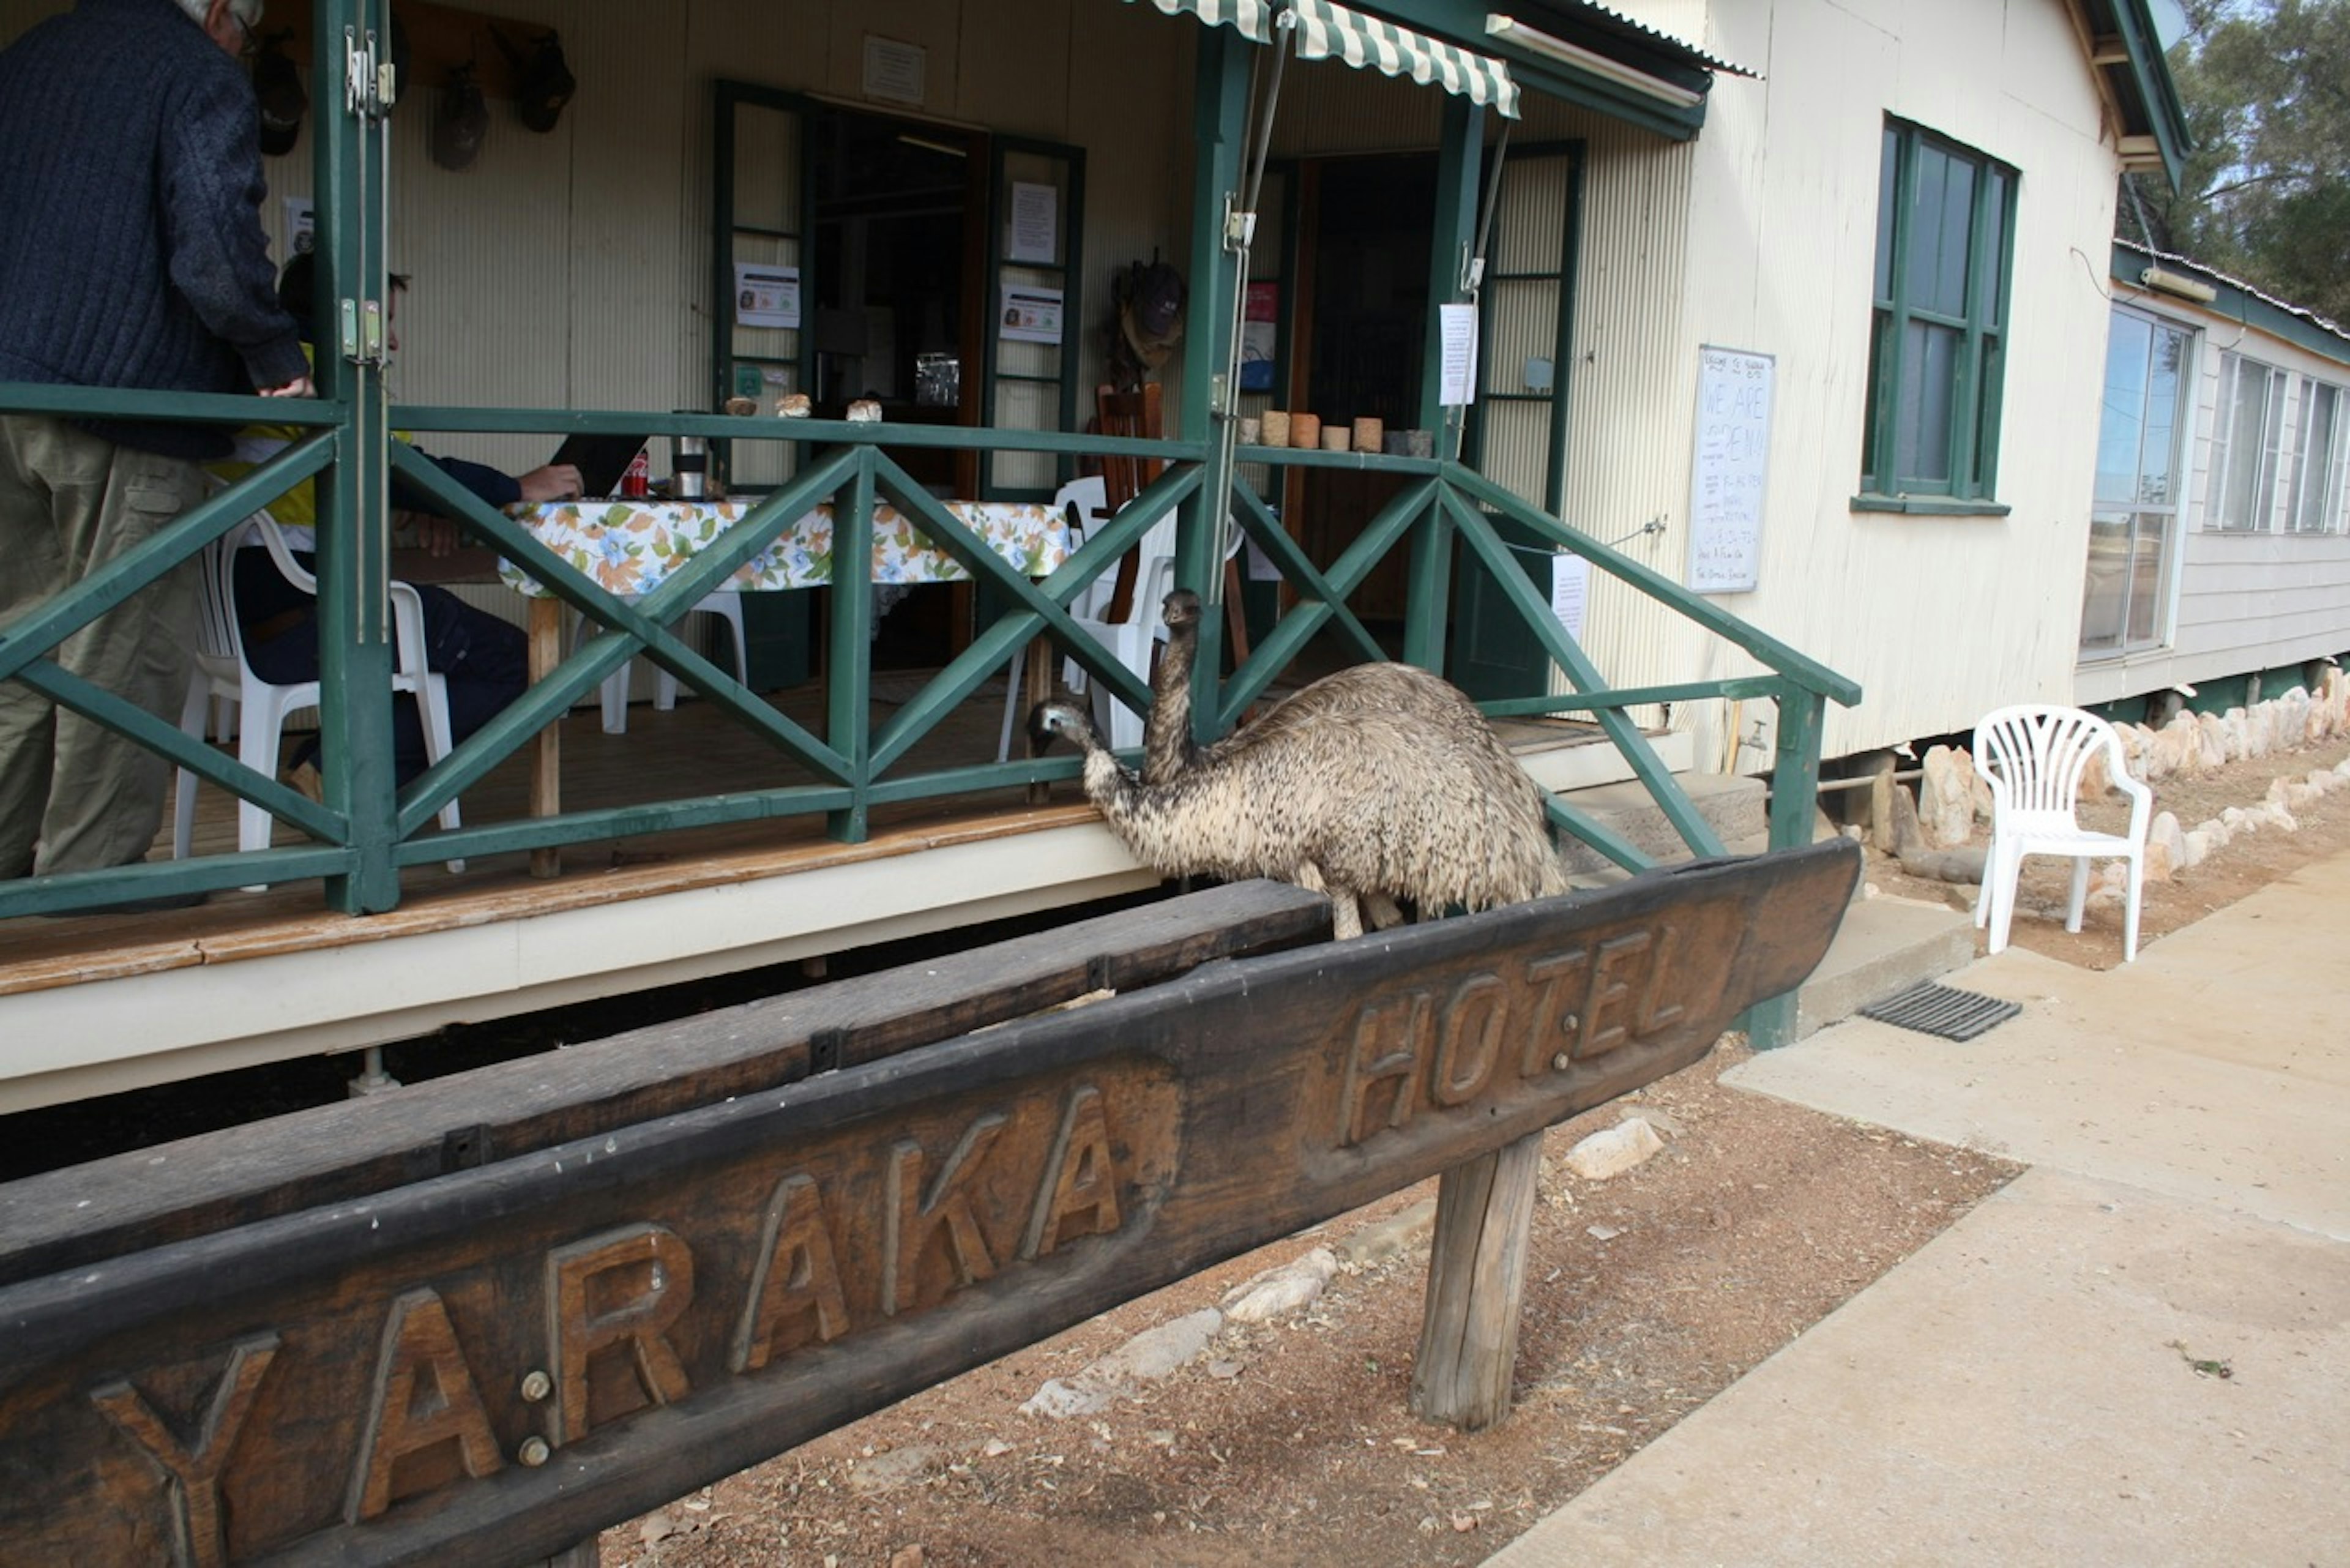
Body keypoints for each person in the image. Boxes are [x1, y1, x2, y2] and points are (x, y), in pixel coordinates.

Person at [0, 0, 313, 900]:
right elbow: (214, 241)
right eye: (244, 36)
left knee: (18, 645)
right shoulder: (198, 71)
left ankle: (10, 879)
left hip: (9, 394)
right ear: (221, 14)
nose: (239, 51)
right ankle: (89, 893)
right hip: (121, 404)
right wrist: (269, 347)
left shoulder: (30, 54)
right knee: (121, 656)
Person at [212, 252, 584, 790]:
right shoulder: (318, 378)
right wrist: (517, 489)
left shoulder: (260, 373)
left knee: (434, 644)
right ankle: (335, 775)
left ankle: (315, 768)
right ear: (346, 319)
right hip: (302, 621)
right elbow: (402, 471)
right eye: (382, 322)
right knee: (525, 666)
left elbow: (395, 471)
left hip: (240, 620)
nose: (391, 342)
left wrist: (426, 499)